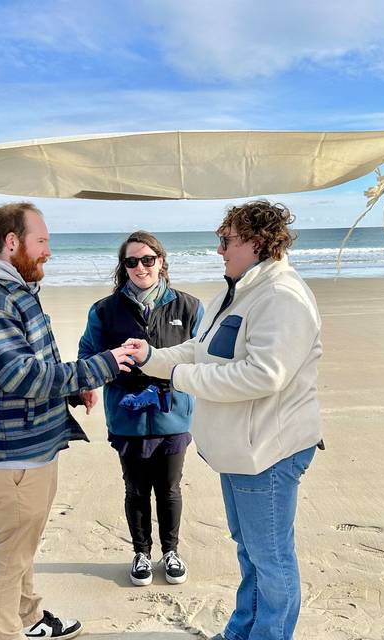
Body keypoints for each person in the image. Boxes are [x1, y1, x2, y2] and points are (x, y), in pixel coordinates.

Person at [123, 201, 323, 640]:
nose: (219, 250)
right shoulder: (236, 290)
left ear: (257, 242)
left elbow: (264, 375)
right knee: (250, 552)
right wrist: (152, 358)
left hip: (268, 450)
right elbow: (199, 349)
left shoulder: (281, 296)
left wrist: (178, 377)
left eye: (226, 240)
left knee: (270, 558)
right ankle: (242, 633)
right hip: (239, 450)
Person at [0, 202, 136, 640]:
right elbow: (23, 376)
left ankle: (30, 618)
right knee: (12, 554)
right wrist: (103, 365)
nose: (49, 252)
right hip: (11, 453)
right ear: (11, 243)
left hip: (32, 446)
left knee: (23, 548)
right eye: (42, 241)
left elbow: (37, 362)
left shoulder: (15, 292)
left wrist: (74, 386)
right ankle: (5, 633)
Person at [77, 231, 203, 587]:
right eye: (131, 261)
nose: (140, 267)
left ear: (161, 261)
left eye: (148, 259)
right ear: (124, 267)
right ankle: (142, 554)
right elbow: (87, 353)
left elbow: (204, 356)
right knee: (135, 489)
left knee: (169, 487)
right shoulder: (105, 309)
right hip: (126, 416)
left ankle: (172, 552)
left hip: (173, 414)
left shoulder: (189, 307)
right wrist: (90, 381)